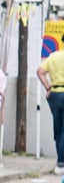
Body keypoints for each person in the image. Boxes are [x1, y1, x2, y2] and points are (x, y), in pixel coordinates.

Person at [39, 42, 64, 172]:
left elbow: (40, 71)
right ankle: (61, 163)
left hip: (55, 93)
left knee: (58, 128)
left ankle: (60, 162)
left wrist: (48, 87)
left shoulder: (54, 56)